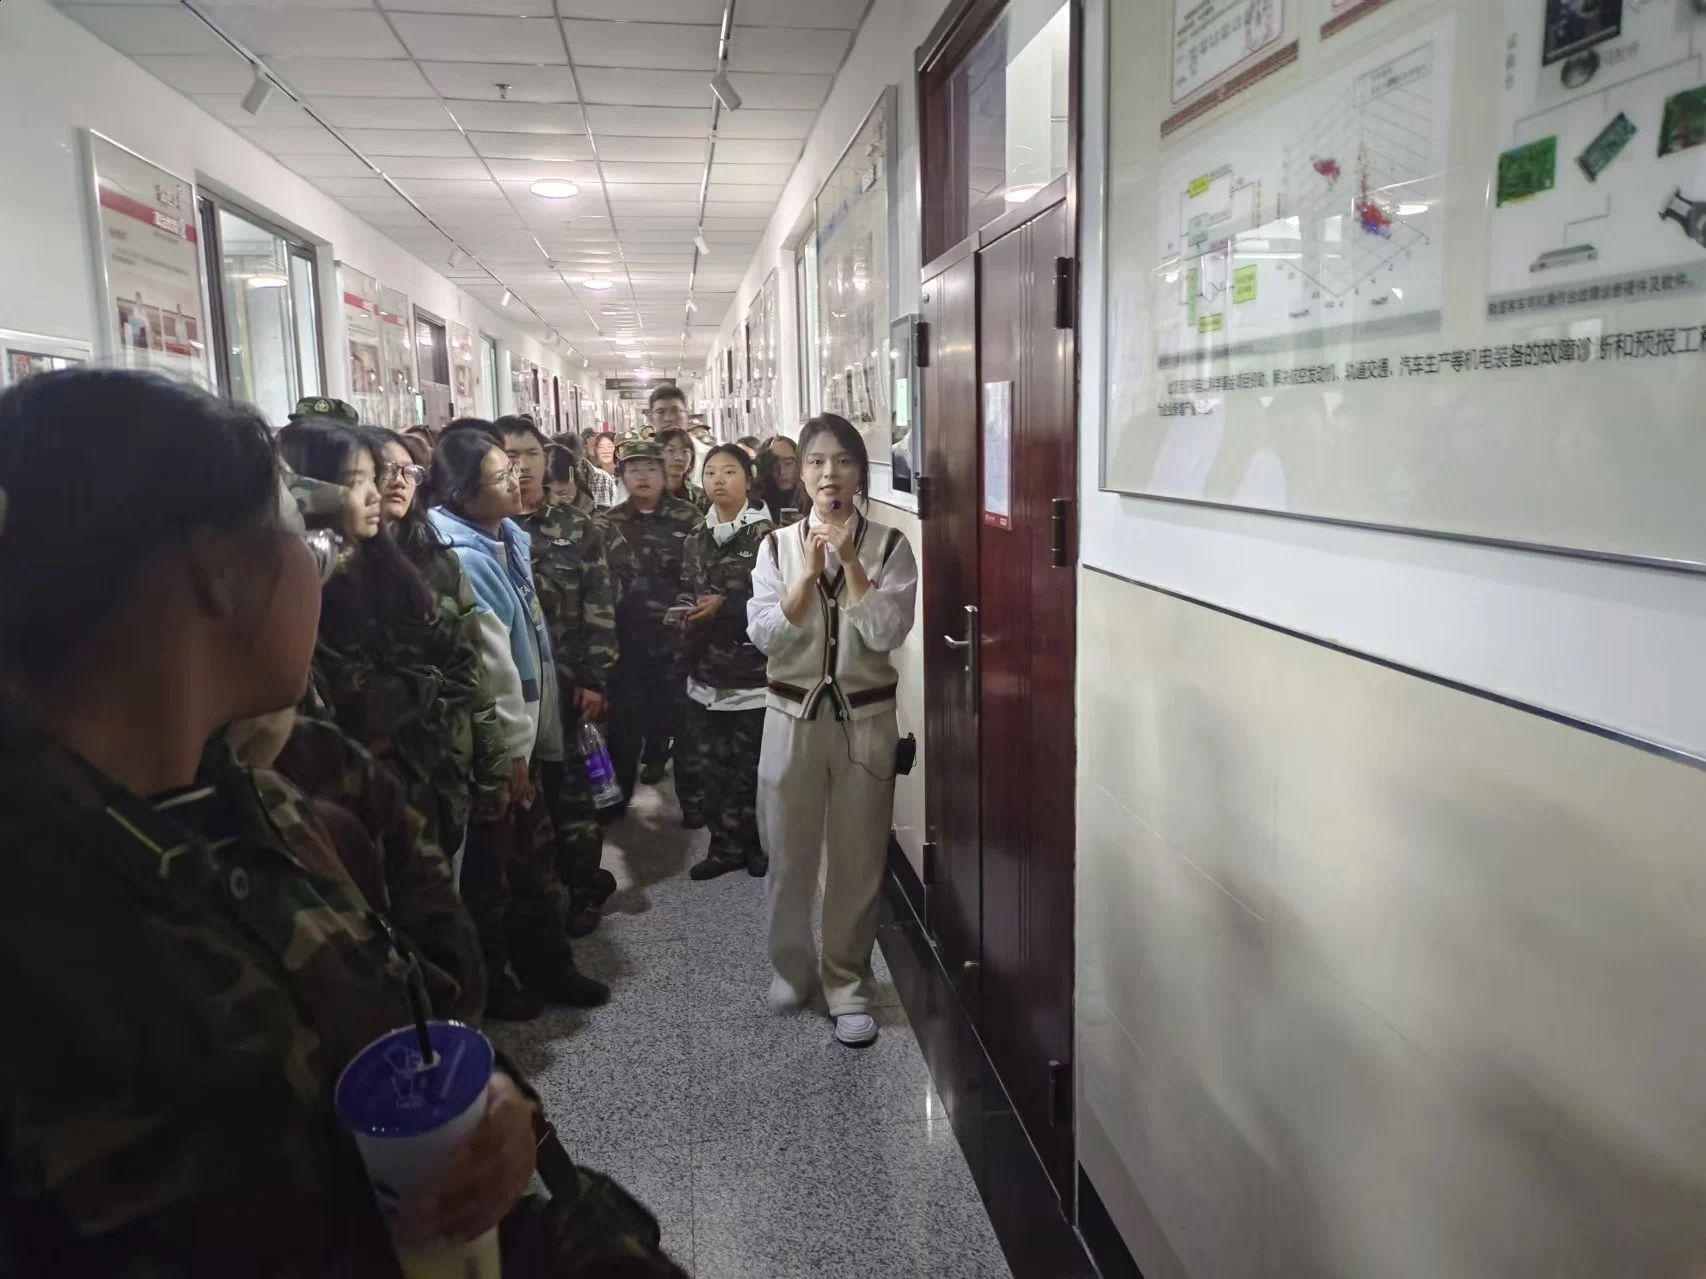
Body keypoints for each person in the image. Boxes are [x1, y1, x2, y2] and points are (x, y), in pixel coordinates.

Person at [0, 368, 680, 1275]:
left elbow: (389, 1029)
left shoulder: (256, 797)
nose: (323, 567)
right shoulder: (45, 912)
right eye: (304, 538)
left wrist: (487, 1111)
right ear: (215, 574)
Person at [747, 413, 918, 1049]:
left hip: (865, 724)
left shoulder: (892, 545)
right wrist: (804, 578)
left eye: (843, 461)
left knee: (858, 859)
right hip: (789, 717)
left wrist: (849, 561)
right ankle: (792, 971)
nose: (829, 474)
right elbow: (764, 634)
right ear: (800, 474)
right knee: (788, 855)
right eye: (816, 461)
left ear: (860, 473)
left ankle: (848, 984)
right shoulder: (774, 546)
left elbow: (887, 631)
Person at [428, 426, 609, 1011]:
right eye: (501, 474)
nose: (518, 479)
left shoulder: (504, 537)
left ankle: (545, 967)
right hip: (501, 746)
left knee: (531, 860)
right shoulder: (464, 558)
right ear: (462, 492)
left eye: (515, 467)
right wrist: (510, 753)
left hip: (527, 734)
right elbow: (494, 670)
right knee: (495, 871)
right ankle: (500, 983)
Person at [498, 416, 620, 936]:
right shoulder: (483, 529)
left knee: (571, 792)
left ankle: (584, 887)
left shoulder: (576, 527)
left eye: (530, 453)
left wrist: (595, 678)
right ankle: (533, 895)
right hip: (509, 689)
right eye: (508, 455)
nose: (521, 465)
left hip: (567, 683)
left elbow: (600, 606)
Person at [678, 445, 773, 879]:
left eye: (730, 471)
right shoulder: (696, 538)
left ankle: (758, 846)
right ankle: (724, 847)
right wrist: (682, 610)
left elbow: (778, 602)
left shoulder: (768, 537)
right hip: (707, 671)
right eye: (711, 472)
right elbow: (688, 586)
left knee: (753, 767)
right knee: (713, 767)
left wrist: (727, 605)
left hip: (753, 672)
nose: (718, 480)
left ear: (748, 479)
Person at [603, 438, 701, 804]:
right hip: (627, 640)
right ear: (622, 476)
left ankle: (692, 802)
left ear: (663, 473)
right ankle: (620, 798)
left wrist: (687, 606)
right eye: (634, 469)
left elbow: (699, 573)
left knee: (684, 722)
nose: (642, 476)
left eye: (650, 468)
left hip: (677, 638)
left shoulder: (688, 517)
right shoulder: (608, 523)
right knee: (626, 724)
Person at [753, 434, 807, 523]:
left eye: (788, 463)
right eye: (774, 465)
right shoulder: (755, 502)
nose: (782, 471)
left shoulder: (813, 498)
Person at [658, 425, 708, 512]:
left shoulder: (700, 497)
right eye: (670, 450)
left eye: (685, 451)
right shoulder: (646, 495)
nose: (679, 457)